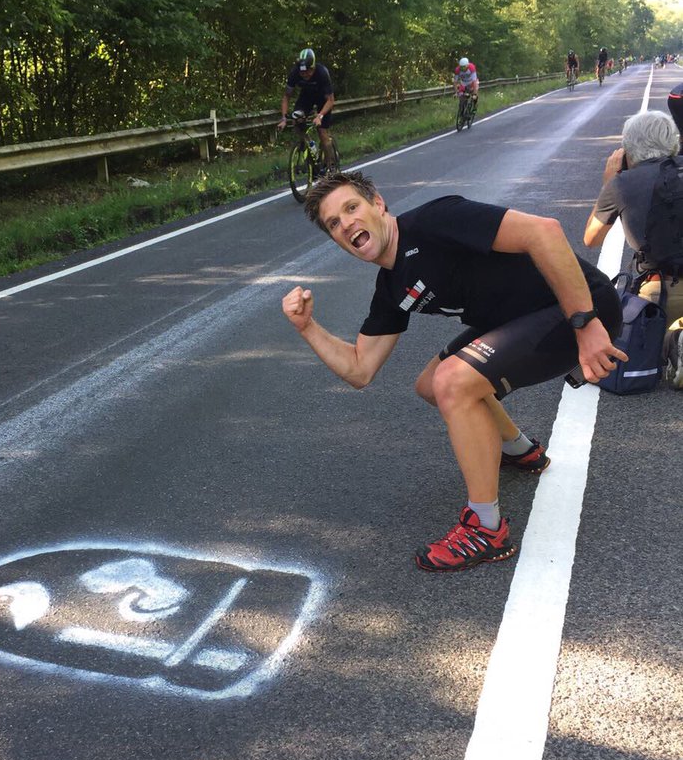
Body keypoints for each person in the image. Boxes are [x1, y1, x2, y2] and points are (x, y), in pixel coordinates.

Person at [281, 171, 625, 573]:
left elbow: (544, 232)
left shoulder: (434, 221)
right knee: (430, 383)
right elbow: (360, 369)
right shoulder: (392, 288)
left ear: (377, 203)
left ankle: (486, 528)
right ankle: (518, 450)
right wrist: (307, 326)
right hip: (526, 316)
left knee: (452, 381)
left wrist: (584, 323)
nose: (346, 224)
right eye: (334, 224)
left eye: (351, 207)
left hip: (579, 308)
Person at [583, 109, 683, 325]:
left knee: (635, 348)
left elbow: (592, 239)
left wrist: (608, 184)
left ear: (627, 151)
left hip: (661, 290)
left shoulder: (621, 184)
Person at [278, 48, 336, 170]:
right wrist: (283, 118)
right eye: (302, 73)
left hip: (323, 100)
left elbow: (331, 100)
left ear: (313, 67)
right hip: (306, 97)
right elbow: (286, 96)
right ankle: (310, 145)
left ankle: (331, 166)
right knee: (296, 120)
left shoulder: (322, 72)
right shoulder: (294, 73)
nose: (305, 75)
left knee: (322, 132)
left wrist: (320, 116)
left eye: (309, 71)